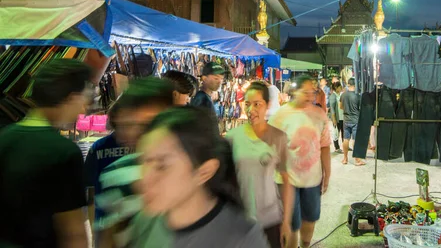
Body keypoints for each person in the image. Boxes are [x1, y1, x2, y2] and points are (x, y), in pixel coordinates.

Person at [137, 107, 269, 248]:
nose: (145, 178)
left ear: (204, 172)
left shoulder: (242, 238)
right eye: (144, 162)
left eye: (161, 166)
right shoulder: (144, 222)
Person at [0, 59, 93, 248]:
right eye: (84, 100)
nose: (83, 109)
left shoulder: (4, 137)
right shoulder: (63, 152)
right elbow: (72, 233)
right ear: (72, 98)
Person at [84, 77, 176, 241]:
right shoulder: (118, 174)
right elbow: (109, 234)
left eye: (147, 124)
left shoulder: (194, 171)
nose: (134, 134)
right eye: (129, 125)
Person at [227, 82, 294, 248]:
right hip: (239, 219)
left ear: (268, 105)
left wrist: (286, 222)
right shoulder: (232, 137)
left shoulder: (278, 137)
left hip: (270, 218)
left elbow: (286, 180)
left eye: (257, 104)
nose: (251, 110)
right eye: (247, 104)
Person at [269, 75, 331, 248]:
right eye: (306, 92)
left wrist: (327, 174)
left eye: (313, 91)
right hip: (286, 180)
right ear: (294, 92)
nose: (310, 95)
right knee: (291, 223)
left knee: (310, 219)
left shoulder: (319, 115)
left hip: (312, 179)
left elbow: (325, 147)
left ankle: (306, 244)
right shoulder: (280, 115)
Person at [191, 61, 225, 132]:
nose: (219, 82)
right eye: (216, 78)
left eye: (221, 79)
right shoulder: (201, 100)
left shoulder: (205, 98)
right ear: (204, 78)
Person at [340, 78, 364, 166]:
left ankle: (345, 158)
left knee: (346, 139)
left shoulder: (343, 95)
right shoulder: (358, 96)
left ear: (348, 84)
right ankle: (357, 160)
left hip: (346, 119)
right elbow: (361, 108)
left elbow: (341, 107)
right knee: (355, 140)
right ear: (355, 85)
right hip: (355, 120)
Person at [328, 81, 344, 153]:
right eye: (340, 87)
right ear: (336, 88)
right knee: (336, 133)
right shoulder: (333, 96)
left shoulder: (341, 95)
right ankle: (337, 147)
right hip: (337, 118)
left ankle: (345, 146)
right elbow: (332, 108)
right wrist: (334, 119)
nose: (341, 88)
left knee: (344, 132)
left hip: (343, 117)